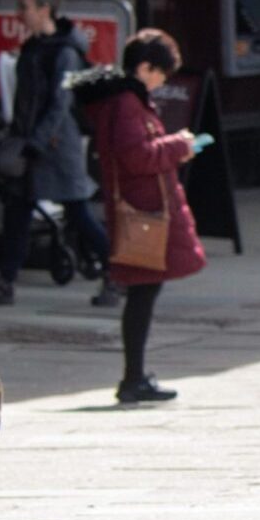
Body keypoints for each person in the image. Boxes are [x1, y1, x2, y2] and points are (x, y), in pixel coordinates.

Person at [75, 30, 203, 406]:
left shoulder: (125, 99)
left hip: (143, 209)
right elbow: (136, 156)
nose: (163, 82)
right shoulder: (126, 102)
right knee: (142, 294)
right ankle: (133, 378)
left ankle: (135, 376)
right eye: (161, 73)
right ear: (145, 67)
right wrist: (179, 145)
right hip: (142, 213)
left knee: (144, 293)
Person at [0, 0, 108, 307]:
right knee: (16, 213)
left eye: (25, 6)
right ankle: (4, 279)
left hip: (56, 146)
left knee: (77, 213)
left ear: (45, 9)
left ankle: (118, 272)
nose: (19, 12)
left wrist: (36, 141)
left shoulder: (65, 52)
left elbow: (60, 104)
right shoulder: (36, 46)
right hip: (33, 143)